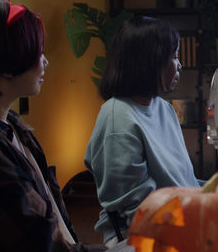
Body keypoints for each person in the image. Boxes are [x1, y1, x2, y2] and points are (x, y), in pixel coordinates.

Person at [0, 0, 107, 251]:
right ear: (7, 64)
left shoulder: (14, 127)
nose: (45, 61)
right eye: (37, 52)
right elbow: (39, 243)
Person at [84, 16, 202, 247]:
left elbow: (181, 179)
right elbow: (137, 208)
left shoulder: (163, 108)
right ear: (149, 62)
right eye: (174, 56)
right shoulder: (118, 119)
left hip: (180, 224)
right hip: (140, 237)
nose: (179, 65)